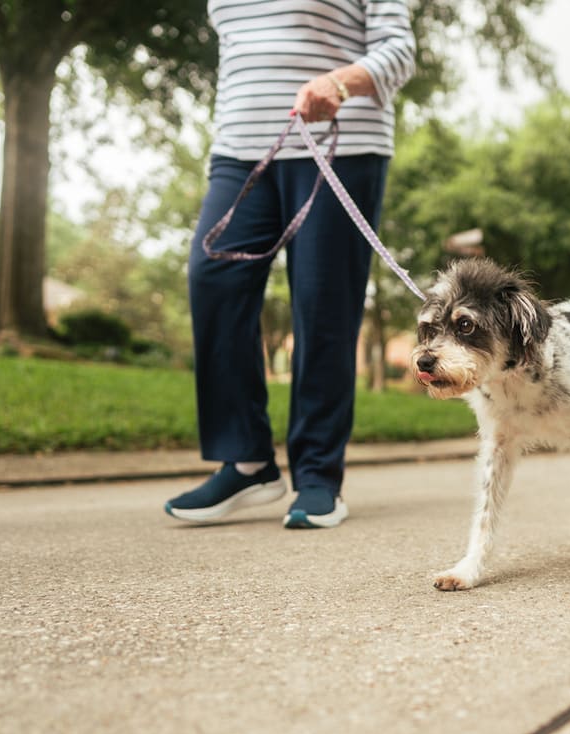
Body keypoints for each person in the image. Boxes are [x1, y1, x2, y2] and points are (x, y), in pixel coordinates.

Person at [165, 0, 416, 528]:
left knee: (322, 304)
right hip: (240, 149)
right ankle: (250, 460)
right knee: (213, 276)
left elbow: (400, 52)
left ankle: (318, 476)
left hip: (338, 144)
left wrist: (341, 83)